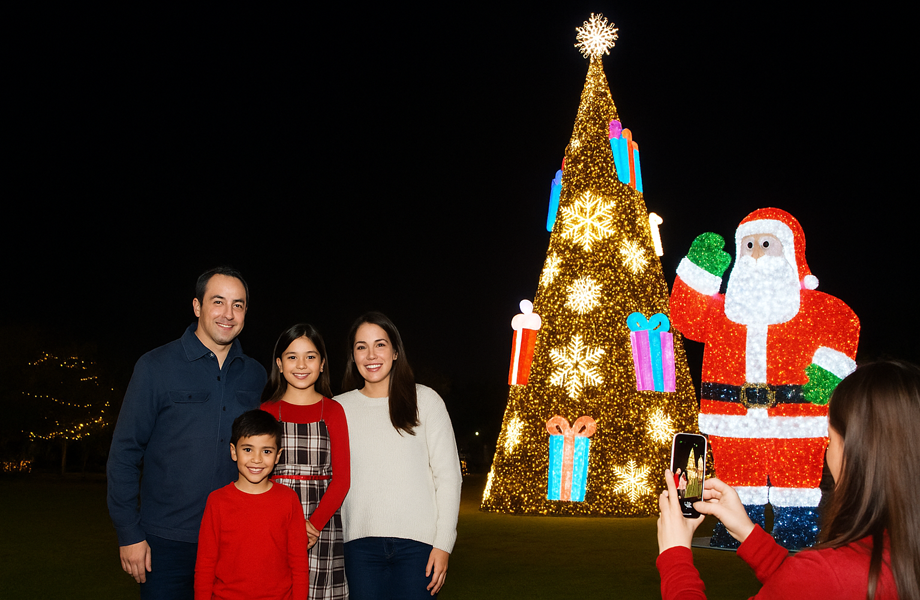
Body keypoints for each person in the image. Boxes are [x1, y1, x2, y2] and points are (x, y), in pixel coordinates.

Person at [670, 208, 860, 548]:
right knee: (739, 480)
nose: (756, 254)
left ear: (790, 250)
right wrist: (700, 271)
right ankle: (735, 533)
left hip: (796, 416)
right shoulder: (723, 310)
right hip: (731, 417)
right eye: (749, 245)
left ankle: (797, 533)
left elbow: (845, 324)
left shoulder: (818, 309)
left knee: (797, 482)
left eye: (767, 244)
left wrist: (828, 372)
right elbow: (687, 319)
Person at [656, 360, 920, 600]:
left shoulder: (829, 572)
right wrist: (747, 533)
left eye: (831, 439)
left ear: (857, 451)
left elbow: (816, 580)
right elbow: (808, 586)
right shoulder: (898, 554)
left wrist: (674, 555)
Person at [107, 267, 267, 599]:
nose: (228, 313)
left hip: (234, 539)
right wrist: (128, 533)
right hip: (165, 544)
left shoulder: (255, 375)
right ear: (197, 306)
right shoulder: (155, 366)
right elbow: (124, 453)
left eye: (238, 305)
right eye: (218, 301)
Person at [335, 312, 462, 599]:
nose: (371, 355)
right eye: (361, 346)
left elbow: (449, 477)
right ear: (352, 356)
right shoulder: (338, 408)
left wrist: (443, 544)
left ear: (395, 352)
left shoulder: (426, 400)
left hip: (418, 547)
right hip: (359, 547)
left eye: (380, 344)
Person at [260, 324, 350, 600]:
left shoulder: (333, 410)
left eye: (310, 356)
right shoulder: (266, 411)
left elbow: (342, 478)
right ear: (279, 363)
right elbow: (259, 474)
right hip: (275, 522)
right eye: (291, 356)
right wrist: (286, 525)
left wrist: (313, 524)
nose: (301, 365)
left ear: (322, 364)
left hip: (321, 524)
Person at [194, 409, 309, 600]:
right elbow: (205, 564)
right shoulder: (217, 501)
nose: (257, 459)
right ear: (233, 451)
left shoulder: (288, 500)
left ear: (278, 456)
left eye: (266, 451)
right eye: (248, 449)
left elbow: (299, 563)